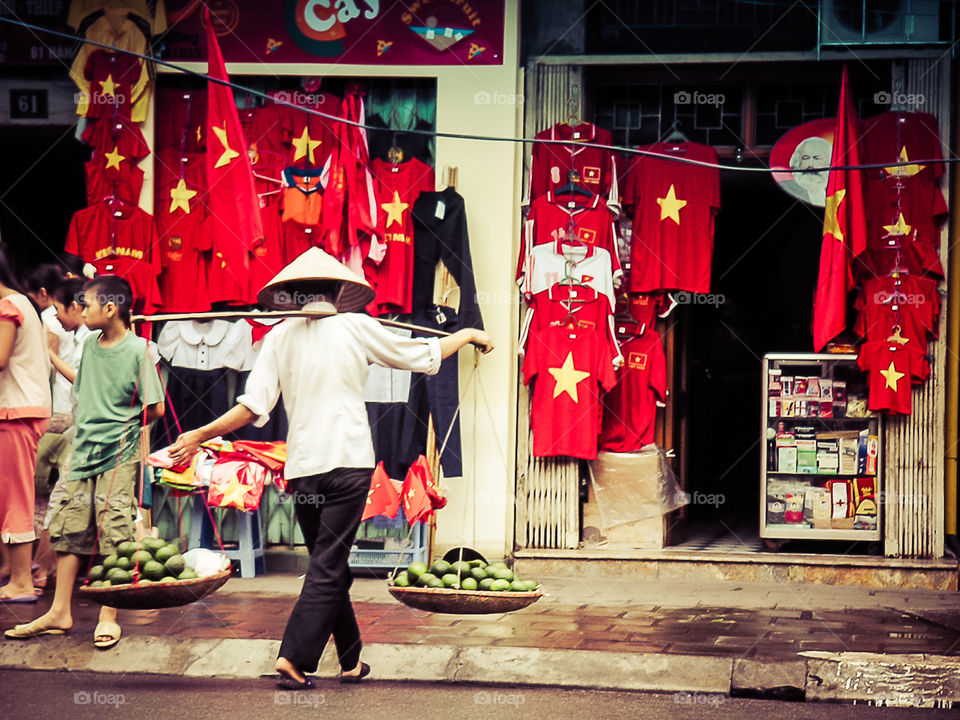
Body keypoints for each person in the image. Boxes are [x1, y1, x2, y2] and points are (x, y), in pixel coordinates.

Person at [168, 249, 493, 689]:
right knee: (327, 565)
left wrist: (198, 433)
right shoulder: (357, 326)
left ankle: (351, 660)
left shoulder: (280, 337)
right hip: (347, 464)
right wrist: (469, 331)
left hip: (303, 470)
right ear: (339, 291)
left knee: (329, 563)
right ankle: (294, 658)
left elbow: (251, 407)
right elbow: (425, 354)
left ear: (293, 296)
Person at [5, 275, 164, 648]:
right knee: (69, 529)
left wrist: (121, 430)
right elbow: (85, 382)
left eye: (88, 304)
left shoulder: (140, 351)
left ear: (111, 309)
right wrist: (52, 356)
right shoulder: (91, 344)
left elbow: (154, 407)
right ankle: (60, 611)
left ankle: (109, 613)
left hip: (117, 458)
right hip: (83, 452)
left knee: (115, 533)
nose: (82, 310)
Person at [0, 246, 52, 602]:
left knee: (16, 498)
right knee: (12, 496)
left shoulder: (8, 307)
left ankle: (20, 580)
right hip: (24, 409)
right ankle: (13, 572)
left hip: (15, 412)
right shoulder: (22, 303)